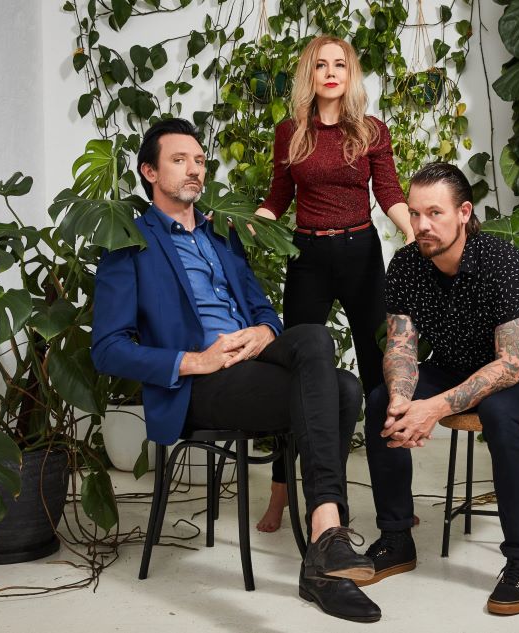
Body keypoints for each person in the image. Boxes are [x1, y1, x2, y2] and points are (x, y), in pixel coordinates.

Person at [91, 118, 381, 623]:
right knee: (341, 389)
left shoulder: (222, 235)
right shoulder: (128, 244)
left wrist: (265, 331)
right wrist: (195, 360)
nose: (194, 169)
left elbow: (262, 308)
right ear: (149, 172)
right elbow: (107, 349)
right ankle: (326, 550)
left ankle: (325, 538)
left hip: (252, 362)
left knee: (326, 356)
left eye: (199, 160)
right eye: (179, 160)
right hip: (200, 384)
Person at [359, 162, 519, 616]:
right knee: (380, 401)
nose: (422, 225)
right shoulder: (408, 263)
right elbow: (401, 346)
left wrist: (431, 409)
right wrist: (402, 400)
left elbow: (510, 366)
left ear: (464, 213)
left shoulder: (501, 260)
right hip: (452, 366)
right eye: (415, 213)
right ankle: (396, 537)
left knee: (500, 412)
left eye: (435, 213)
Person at [253, 34, 414, 532]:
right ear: (310, 74)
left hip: (361, 252)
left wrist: (412, 233)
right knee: (298, 376)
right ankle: (281, 494)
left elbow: (388, 191)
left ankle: (395, 504)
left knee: (380, 376)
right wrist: (247, 222)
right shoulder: (290, 132)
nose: (330, 73)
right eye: (321, 65)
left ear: (350, 73)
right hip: (308, 256)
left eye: (339, 65)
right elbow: (277, 197)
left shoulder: (370, 130)